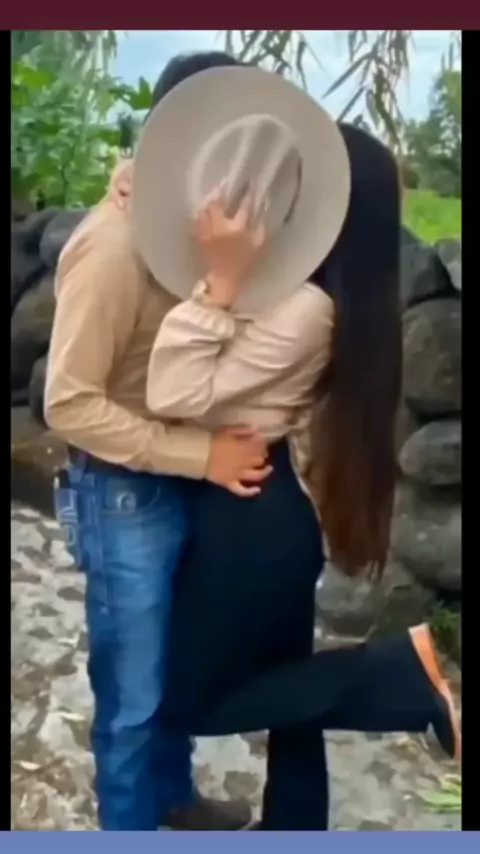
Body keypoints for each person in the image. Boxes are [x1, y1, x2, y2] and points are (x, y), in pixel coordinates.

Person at [112, 116, 461, 830]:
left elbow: (172, 391)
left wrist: (219, 287)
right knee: (293, 698)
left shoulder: (304, 308)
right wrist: (143, 197)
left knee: (194, 701)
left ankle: (401, 674)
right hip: (264, 508)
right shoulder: (314, 295)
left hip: (246, 520)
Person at [43, 52, 266, 832]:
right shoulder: (114, 248)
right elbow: (68, 403)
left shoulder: (205, 230)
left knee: (174, 669)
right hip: (123, 494)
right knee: (132, 698)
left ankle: (172, 798)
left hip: (184, 480)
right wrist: (202, 456)